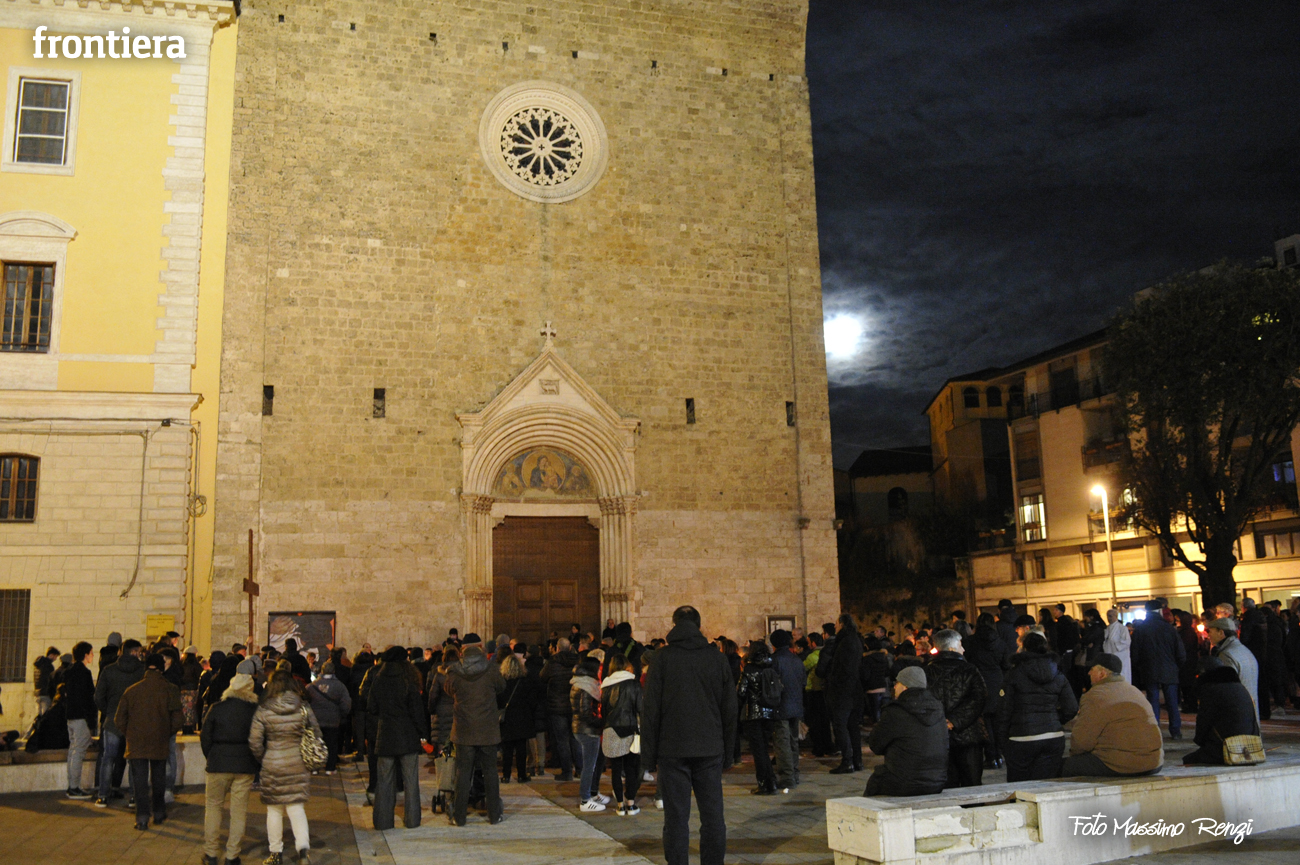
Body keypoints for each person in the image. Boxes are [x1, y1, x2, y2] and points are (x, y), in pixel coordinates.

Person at [642, 605, 737, 865]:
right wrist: (729, 753)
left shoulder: (662, 658)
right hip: (709, 748)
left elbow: (650, 710)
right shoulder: (716, 658)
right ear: (699, 625)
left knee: (675, 819)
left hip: (672, 749)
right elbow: (729, 709)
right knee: (713, 817)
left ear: (674, 624)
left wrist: (648, 757)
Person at [249, 669, 322, 864]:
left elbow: (255, 741)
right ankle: (303, 852)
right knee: (296, 808)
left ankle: (275, 854)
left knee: (274, 810)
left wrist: (264, 757)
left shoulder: (264, 708)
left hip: (272, 763)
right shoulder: (302, 707)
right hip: (297, 762)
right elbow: (316, 733)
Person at [1062, 653, 1163, 777]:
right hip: (1154, 762)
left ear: (1102, 673)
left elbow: (1081, 742)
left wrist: (1075, 755)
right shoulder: (1134, 690)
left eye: (1092, 669)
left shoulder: (1096, 695)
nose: (1089, 673)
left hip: (1122, 764)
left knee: (1058, 767)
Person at [200, 661, 259, 865]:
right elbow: (260, 740)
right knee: (238, 811)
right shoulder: (255, 711)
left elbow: (205, 737)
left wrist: (212, 756)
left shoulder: (217, 708)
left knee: (213, 807)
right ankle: (232, 855)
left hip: (218, 763)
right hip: (244, 765)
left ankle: (211, 853)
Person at [115, 653, 182, 831]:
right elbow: (178, 719)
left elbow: (119, 719)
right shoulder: (170, 689)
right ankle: (159, 812)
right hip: (160, 740)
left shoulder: (132, 690)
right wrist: (166, 732)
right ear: (161, 668)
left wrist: (130, 733)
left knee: (139, 781)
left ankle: (142, 817)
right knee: (159, 778)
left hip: (136, 742)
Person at [997, 633, 1077, 781]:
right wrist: (1054, 719)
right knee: (1046, 785)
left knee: (1020, 786)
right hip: (1052, 736)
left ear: (1024, 648)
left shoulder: (1014, 674)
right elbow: (1071, 708)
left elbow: (1004, 710)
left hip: (1021, 736)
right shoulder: (1058, 674)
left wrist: (1002, 740)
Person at [445, 643, 506, 826]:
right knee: (490, 772)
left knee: (463, 773)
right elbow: (502, 686)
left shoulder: (455, 672)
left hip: (464, 731)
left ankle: (459, 817)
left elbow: (448, 690)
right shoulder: (491, 670)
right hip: (487, 730)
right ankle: (494, 815)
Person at [862, 666, 948, 796]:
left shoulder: (895, 711)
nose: (895, 687)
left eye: (897, 683)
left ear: (906, 686)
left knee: (875, 783)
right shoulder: (938, 709)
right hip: (937, 782)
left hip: (903, 782)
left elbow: (876, 745)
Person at [368, 646, 427, 830]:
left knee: (384, 782)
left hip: (385, 735)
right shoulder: (408, 679)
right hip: (407, 736)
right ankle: (412, 820)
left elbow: (371, 706)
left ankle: (383, 821)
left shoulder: (378, 679)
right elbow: (416, 710)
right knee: (411, 781)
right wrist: (423, 733)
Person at [925, 629, 987, 788]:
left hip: (938, 736)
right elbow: (979, 699)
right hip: (968, 735)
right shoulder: (970, 670)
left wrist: (943, 721)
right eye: (960, 645)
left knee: (946, 786)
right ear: (952, 648)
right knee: (972, 784)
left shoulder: (926, 672)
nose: (963, 649)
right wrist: (955, 721)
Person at [94, 638, 145, 806]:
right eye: (139, 652)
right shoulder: (142, 671)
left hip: (112, 721)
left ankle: (102, 795)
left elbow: (98, 697)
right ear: (134, 652)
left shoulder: (109, 670)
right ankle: (134, 797)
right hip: (135, 721)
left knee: (108, 758)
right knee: (134, 760)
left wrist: (109, 711)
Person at [1183, 662, 1261, 765]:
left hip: (1227, 747)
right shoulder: (1241, 688)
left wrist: (1201, 742)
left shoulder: (1211, 691)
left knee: (1188, 759)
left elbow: (1203, 722)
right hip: (1249, 746)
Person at [1130, 600, 1187, 739]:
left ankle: (1155, 731)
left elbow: (1134, 653)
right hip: (1169, 668)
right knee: (1172, 702)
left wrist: (1140, 667)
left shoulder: (1141, 629)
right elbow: (1180, 652)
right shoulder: (1169, 628)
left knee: (1153, 701)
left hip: (1149, 669)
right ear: (1160, 611)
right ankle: (1175, 730)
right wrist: (1176, 666)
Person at [818, 613, 864, 774]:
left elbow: (840, 668)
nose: (835, 626)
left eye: (837, 624)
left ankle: (847, 761)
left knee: (841, 726)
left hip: (842, 691)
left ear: (843, 624)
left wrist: (832, 680)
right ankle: (857, 760)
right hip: (854, 690)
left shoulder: (843, 642)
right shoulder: (855, 640)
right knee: (852, 727)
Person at [737, 640, 783, 796]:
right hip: (769, 712)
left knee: (759, 751)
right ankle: (772, 782)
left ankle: (764, 784)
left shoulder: (749, 669)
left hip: (754, 714)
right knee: (764, 749)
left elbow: (741, 692)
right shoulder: (771, 667)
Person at [964, 612, 1009, 769]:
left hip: (978, 682)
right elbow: (1006, 665)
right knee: (997, 720)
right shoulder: (1000, 643)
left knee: (984, 721)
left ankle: (990, 756)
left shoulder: (970, 642)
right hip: (997, 682)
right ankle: (999, 754)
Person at [600, 653, 644, 815]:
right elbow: (640, 708)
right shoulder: (634, 683)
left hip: (611, 729)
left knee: (616, 770)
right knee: (631, 768)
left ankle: (619, 805)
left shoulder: (606, 685)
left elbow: (604, 711)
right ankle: (631, 804)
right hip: (630, 728)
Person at [769, 629, 805, 791]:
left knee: (782, 743)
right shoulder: (796, 660)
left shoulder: (775, 660)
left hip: (781, 706)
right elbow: (803, 682)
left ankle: (787, 777)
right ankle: (794, 774)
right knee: (793, 741)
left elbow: (772, 686)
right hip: (796, 705)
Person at [571, 655, 609, 810]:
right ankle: (585, 800)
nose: (600, 671)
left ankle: (593, 793)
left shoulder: (582, 684)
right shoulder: (585, 686)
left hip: (584, 728)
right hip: (587, 730)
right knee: (589, 766)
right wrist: (601, 722)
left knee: (594, 763)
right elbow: (585, 713)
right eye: (598, 668)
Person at [498, 653, 543, 783]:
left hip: (507, 718)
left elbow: (498, 700)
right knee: (521, 748)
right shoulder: (525, 681)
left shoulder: (502, 683)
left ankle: (506, 775)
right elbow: (533, 701)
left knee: (507, 748)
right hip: (523, 717)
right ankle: (522, 774)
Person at [540, 637, 580, 781]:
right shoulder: (577, 661)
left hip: (557, 706)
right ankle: (580, 769)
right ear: (570, 648)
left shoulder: (552, 662)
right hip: (574, 704)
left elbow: (542, 677)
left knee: (562, 740)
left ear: (557, 648)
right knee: (575, 738)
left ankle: (567, 772)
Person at [1207, 618, 1260, 722]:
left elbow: (1227, 686)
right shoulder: (1242, 649)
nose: (1209, 635)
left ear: (1221, 632)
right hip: (1249, 706)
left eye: (1211, 631)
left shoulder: (1226, 655)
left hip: (1237, 710)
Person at [62, 641, 97, 799]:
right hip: (81, 717)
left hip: (71, 715)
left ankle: (72, 785)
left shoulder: (69, 671)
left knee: (73, 750)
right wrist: (91, 721)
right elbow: (88, 698)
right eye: (91, 652)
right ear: (85, 654)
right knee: (78, 751)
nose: (93, 655)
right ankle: (74, 788)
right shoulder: (84, 673)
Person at [306, 661, 352, 774]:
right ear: (334, 671)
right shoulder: (340, 686)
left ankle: (315, 768)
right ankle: (330, 768)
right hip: (333, 720)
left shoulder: (312, 686)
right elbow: (346, 703)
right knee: (331, 744)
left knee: (316, 743)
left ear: (321, 671)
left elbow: (305, 702)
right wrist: (342, 714)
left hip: (315, 720)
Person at [802, 633, 832, 756]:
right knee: (824, 720)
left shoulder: (812, 656)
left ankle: (818, 747)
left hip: (813, 690)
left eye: (809, 642)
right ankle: (828, 746)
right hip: (824, 690)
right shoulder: (827, 653)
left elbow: (802, 668)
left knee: (814, 721)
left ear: (813, 643)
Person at [426, 646, 459, 752]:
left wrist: (431, 710)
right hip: (458, 710)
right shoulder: (462, 674)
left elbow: (433, 695)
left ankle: (442, 758)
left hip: (442, 712)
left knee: (442, 740)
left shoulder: (439, 674)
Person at [1103, 608, 1132, 682]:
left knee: (1122, 673)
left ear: (1115, 616)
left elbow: (1126, 642)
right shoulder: (1107, 628)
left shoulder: (1122, 628)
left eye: (1110, 616)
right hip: (1110, 654)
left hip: (1120, 655)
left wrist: (1115, 645)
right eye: (1108, 616)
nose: (1109, 618)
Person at [32, 646, 60, 716]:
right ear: (51, 655)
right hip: (46, 694)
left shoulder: (38, 665)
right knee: (46, 716)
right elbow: (51, 681)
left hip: (38, 693)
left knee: (38, 717)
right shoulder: (49, 666)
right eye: (55, 656)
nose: (55, 659)